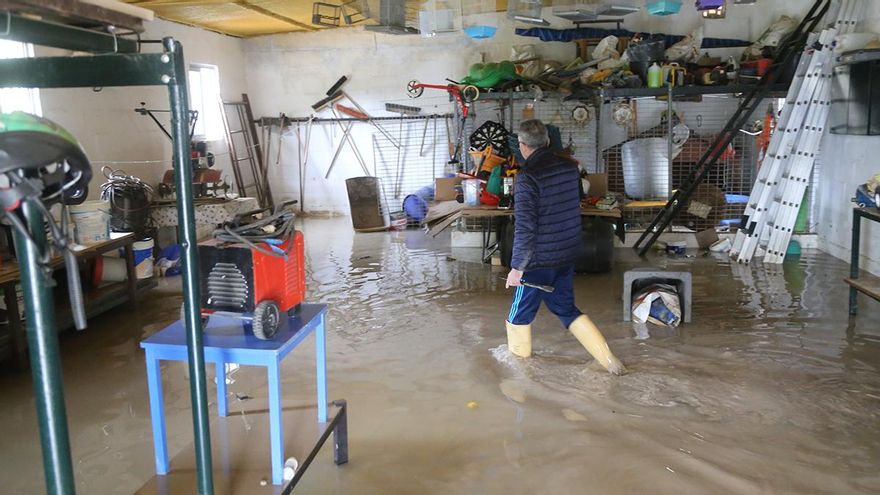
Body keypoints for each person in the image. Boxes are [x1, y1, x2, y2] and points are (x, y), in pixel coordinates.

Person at [505, 119, 625, 375]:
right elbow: (575, 200)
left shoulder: (526, 178)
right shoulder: (570, 168)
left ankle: (519, 377)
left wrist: (517, 268)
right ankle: (611, 363)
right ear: (547, 141)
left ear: (522, 146)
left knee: (518, 316)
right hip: (567, 253)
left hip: (538, 261)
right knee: (565, 309)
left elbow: (525, 227)